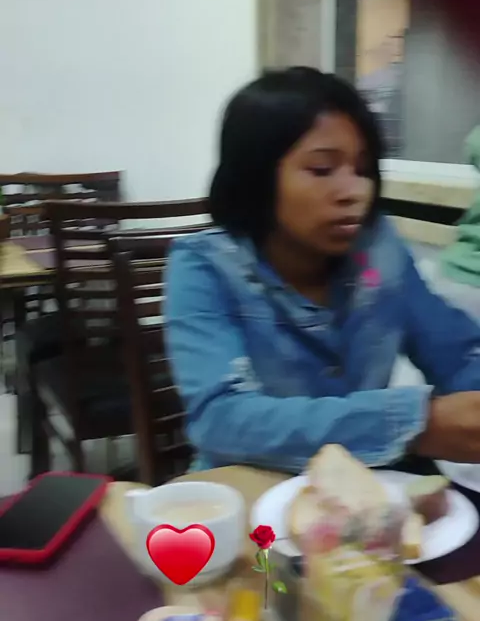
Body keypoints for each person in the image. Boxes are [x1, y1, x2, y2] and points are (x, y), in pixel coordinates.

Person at [165, 67, 480, 474]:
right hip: (249, 487)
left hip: (364, 486)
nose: (354, 192)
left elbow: (454, 351)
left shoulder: (380, 249)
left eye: (362, 170)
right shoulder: (203, 266)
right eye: (321, 170)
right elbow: (221, 418)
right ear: (257, 175)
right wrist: (413, 423)